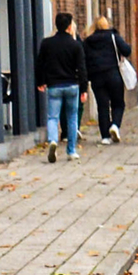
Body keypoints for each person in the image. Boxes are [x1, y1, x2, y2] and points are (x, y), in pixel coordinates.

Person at [34, 12, 87, 163]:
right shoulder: (75, 45)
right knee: (72, 118)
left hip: (54, 86)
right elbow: (82, 68)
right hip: (72, 86)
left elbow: (40, 64)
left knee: (52, 117)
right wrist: (83, 89)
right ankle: (71, 150)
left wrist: (40, 82)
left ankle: (52, 140)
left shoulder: (46, 43)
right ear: (70, 27)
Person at [83, 14, 131, 144]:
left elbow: (84, 59)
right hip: (113, 74)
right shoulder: (113, 37)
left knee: (102, 106)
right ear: (107, 25)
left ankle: (105, 137)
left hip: (96, 77)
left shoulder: (88, 41)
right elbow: (127, 50)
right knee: (118, 103)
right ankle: (115, 125)